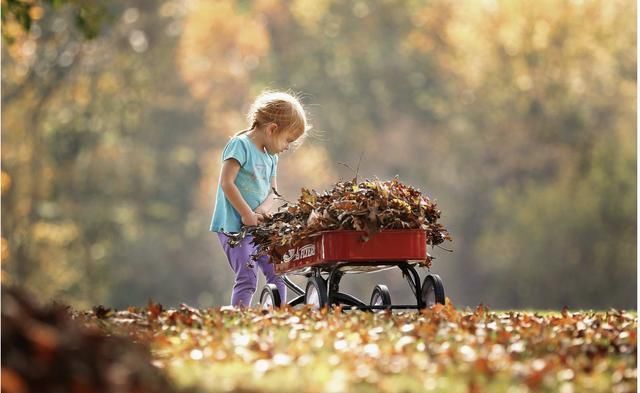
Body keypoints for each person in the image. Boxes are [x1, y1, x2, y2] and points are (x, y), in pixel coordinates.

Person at [210, 91, 310, 307]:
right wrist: (247, 214)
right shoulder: (240, 145)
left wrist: (262, 212)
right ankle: (241, 316)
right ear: (272, 129)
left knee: (277, 270)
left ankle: (279, 313)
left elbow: (273, 192)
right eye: (287, 141)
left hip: (258, 227)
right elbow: (227, 183)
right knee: (247, 276)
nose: (286, 148)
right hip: (234, 227)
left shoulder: (271, 157)